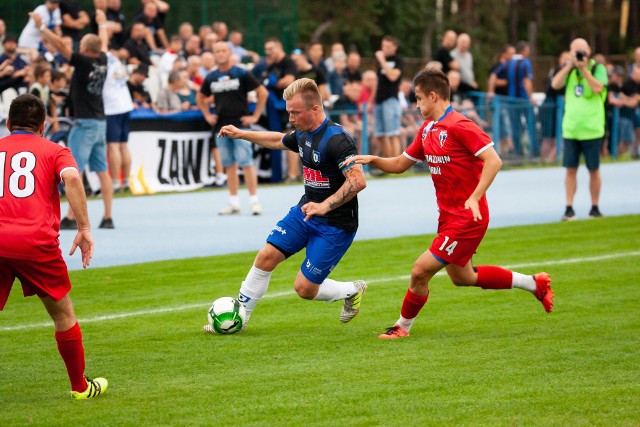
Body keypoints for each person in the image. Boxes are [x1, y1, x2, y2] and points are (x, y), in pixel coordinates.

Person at [342, 68, 553, 339]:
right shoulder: (427, 130)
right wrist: (372, 159)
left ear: (433, 96)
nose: (416, 105)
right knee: (463, 278)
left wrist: (475, 196)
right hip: (448, 217)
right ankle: (533, 283)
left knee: (420, 271)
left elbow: (494, 160)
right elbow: (399, 164)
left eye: (418, 98)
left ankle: (401, 327)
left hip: (468, 218)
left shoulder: (459, 125)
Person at [205, 78, 368, 333]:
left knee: (304, 289)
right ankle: (241, 319)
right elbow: (278, 140)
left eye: (295, 112)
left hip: (336, 225)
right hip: (305, 212)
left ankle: (351, 289)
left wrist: (325, 206)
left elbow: (357, 181)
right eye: (289, 112)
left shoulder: (338, 140)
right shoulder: (303, 133)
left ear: (315, 109)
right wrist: (241, 134)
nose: (291, 117)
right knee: (265, 256)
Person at [0, 93, 108, 399]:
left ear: (8, 124)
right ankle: (80, 387)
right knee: (62, 315)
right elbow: (72, 178)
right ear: (43, 126)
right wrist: (84, 227)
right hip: (35, 244)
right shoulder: (54, 150)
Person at [36, 10, 114, 230]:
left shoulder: (84, 61)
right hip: (100, 121)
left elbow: (61, 45)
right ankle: (108, 216)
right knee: (102, 170)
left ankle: (71, 217)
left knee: (73, 169)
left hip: (85, 122)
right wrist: (101, 24)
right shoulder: (103, 59)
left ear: (86, 50)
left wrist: (43, 28)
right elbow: (104, 43)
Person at [197, 41, 268, 215]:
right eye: (217, 51)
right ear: (214, 55)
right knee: (228, 164)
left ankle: (254, 201)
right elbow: (200, 96)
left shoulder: (240, 73)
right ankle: (234, 202)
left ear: (229, 53)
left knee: (246, 163)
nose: (220, 54)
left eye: (223, 51)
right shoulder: (211, 77)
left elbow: (262, 93)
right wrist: (207, 115)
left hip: (240, 124)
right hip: (221, 126)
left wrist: (255, 115)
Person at [551, 38, 608, 221]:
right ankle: (569, 207)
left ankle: (595, 206)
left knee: (593, 169)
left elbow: (598, 88)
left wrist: (583, 69)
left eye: (581, 50)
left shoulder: (597, 69)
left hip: (592, 129)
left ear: (589, 50)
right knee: (570, 170)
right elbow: (555, 84)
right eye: (575, 51)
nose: (579, 54)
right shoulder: (568, 71)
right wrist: (569, 66)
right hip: (571, 129)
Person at [103, 47, 134, 193]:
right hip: (125, 104)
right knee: (123, 145)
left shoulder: (102, 62)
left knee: (113, 146)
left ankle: (115, 183)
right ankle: (126, 181)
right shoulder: (115, 59)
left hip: (112, 107)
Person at [371, 35, 404, 158]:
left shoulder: (398, 60)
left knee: (392, 133)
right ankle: (389, 163)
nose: (385, 49)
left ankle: (397, 164)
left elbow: (393, 76)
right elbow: (377, 80)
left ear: (395, 47)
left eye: (388, 46)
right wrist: (371, 100)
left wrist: (382, 60)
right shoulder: (380, 62)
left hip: (391, 100)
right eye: (383, 46)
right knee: (380, 134)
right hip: (379, 101)